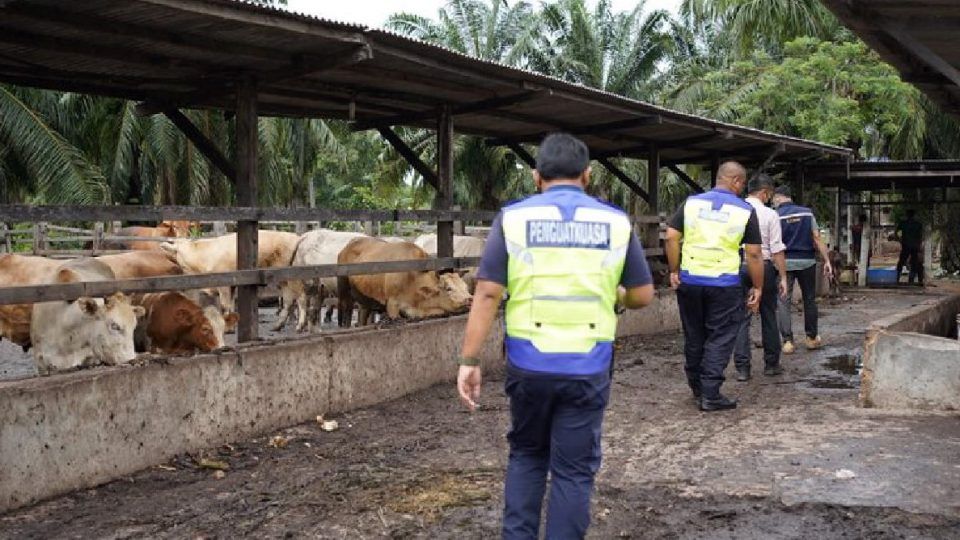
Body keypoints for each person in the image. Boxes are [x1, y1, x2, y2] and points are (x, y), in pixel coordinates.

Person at [456, 133, 655, 539]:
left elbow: (488, 292)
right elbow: (643, 295)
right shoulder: (615, 222)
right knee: (573, 472)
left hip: (528, 365)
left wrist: (470, 360)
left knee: (527, 455)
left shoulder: (513, 218)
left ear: (536, 177)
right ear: (587, 175)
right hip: (588, 366)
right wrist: (617, 295)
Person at [665, 161, 764, 412]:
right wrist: (758, 287)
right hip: (724, 283)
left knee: (694, 335)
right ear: (736, 181)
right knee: (720, 337)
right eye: (742, 184)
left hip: (690, 280)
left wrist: (674, 270)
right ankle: (710, 393)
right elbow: (753, 254)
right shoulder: (744, 210)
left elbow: (672, 237)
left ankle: (697, 387)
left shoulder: (691, 203)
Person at [733, 174, 788, 381]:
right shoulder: (770, 214)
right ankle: (771, 364)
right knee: (768, 315)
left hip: (738, 266)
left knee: (741, 318)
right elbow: (777, 249)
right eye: (769, 194)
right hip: (763, 267)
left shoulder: (734, 210)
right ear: (764, 193)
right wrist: (783, 277)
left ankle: (742, 368)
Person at [772, 186, 833, 353]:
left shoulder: (775, 215)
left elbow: (774, 241)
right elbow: (817, 237)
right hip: (807, 261)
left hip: (784, 263)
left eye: (774, 199)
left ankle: (788, 342)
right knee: (809, 299)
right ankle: (811, 338)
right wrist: (827, 260)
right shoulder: (807, 213)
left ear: (778, 198)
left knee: (783, 301)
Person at [895, 209, 924, 285]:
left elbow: (897, 233)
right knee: (914, 263)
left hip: (906, 245)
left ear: (907, 215)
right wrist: (919, 244)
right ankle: (911, 280)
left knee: (901, 262)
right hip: (915, 246)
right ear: (914, 215)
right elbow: (921, 235)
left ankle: (897, 278)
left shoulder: (903, 223)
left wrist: (900, 239)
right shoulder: (918, 224)